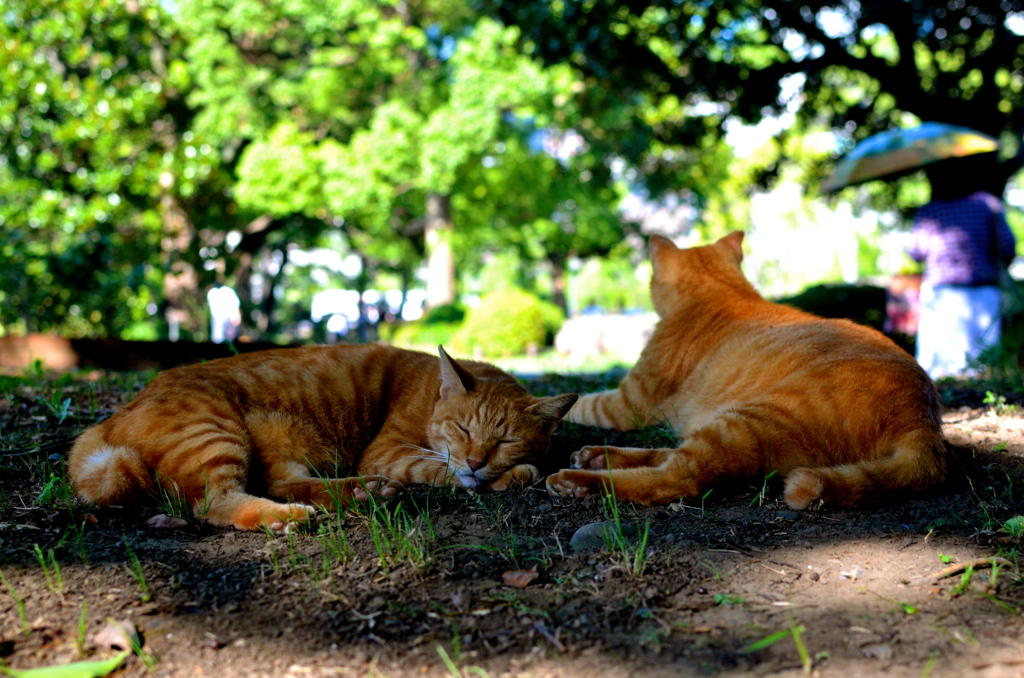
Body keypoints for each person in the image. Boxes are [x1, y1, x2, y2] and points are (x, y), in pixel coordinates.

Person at [907, 159, 1017, 379]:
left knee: (936, 367)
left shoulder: (930, 211)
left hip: (940, 293)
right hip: (983, 291)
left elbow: (915, 251)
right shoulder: (989, 205)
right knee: (983, 363)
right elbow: (1007, 246)